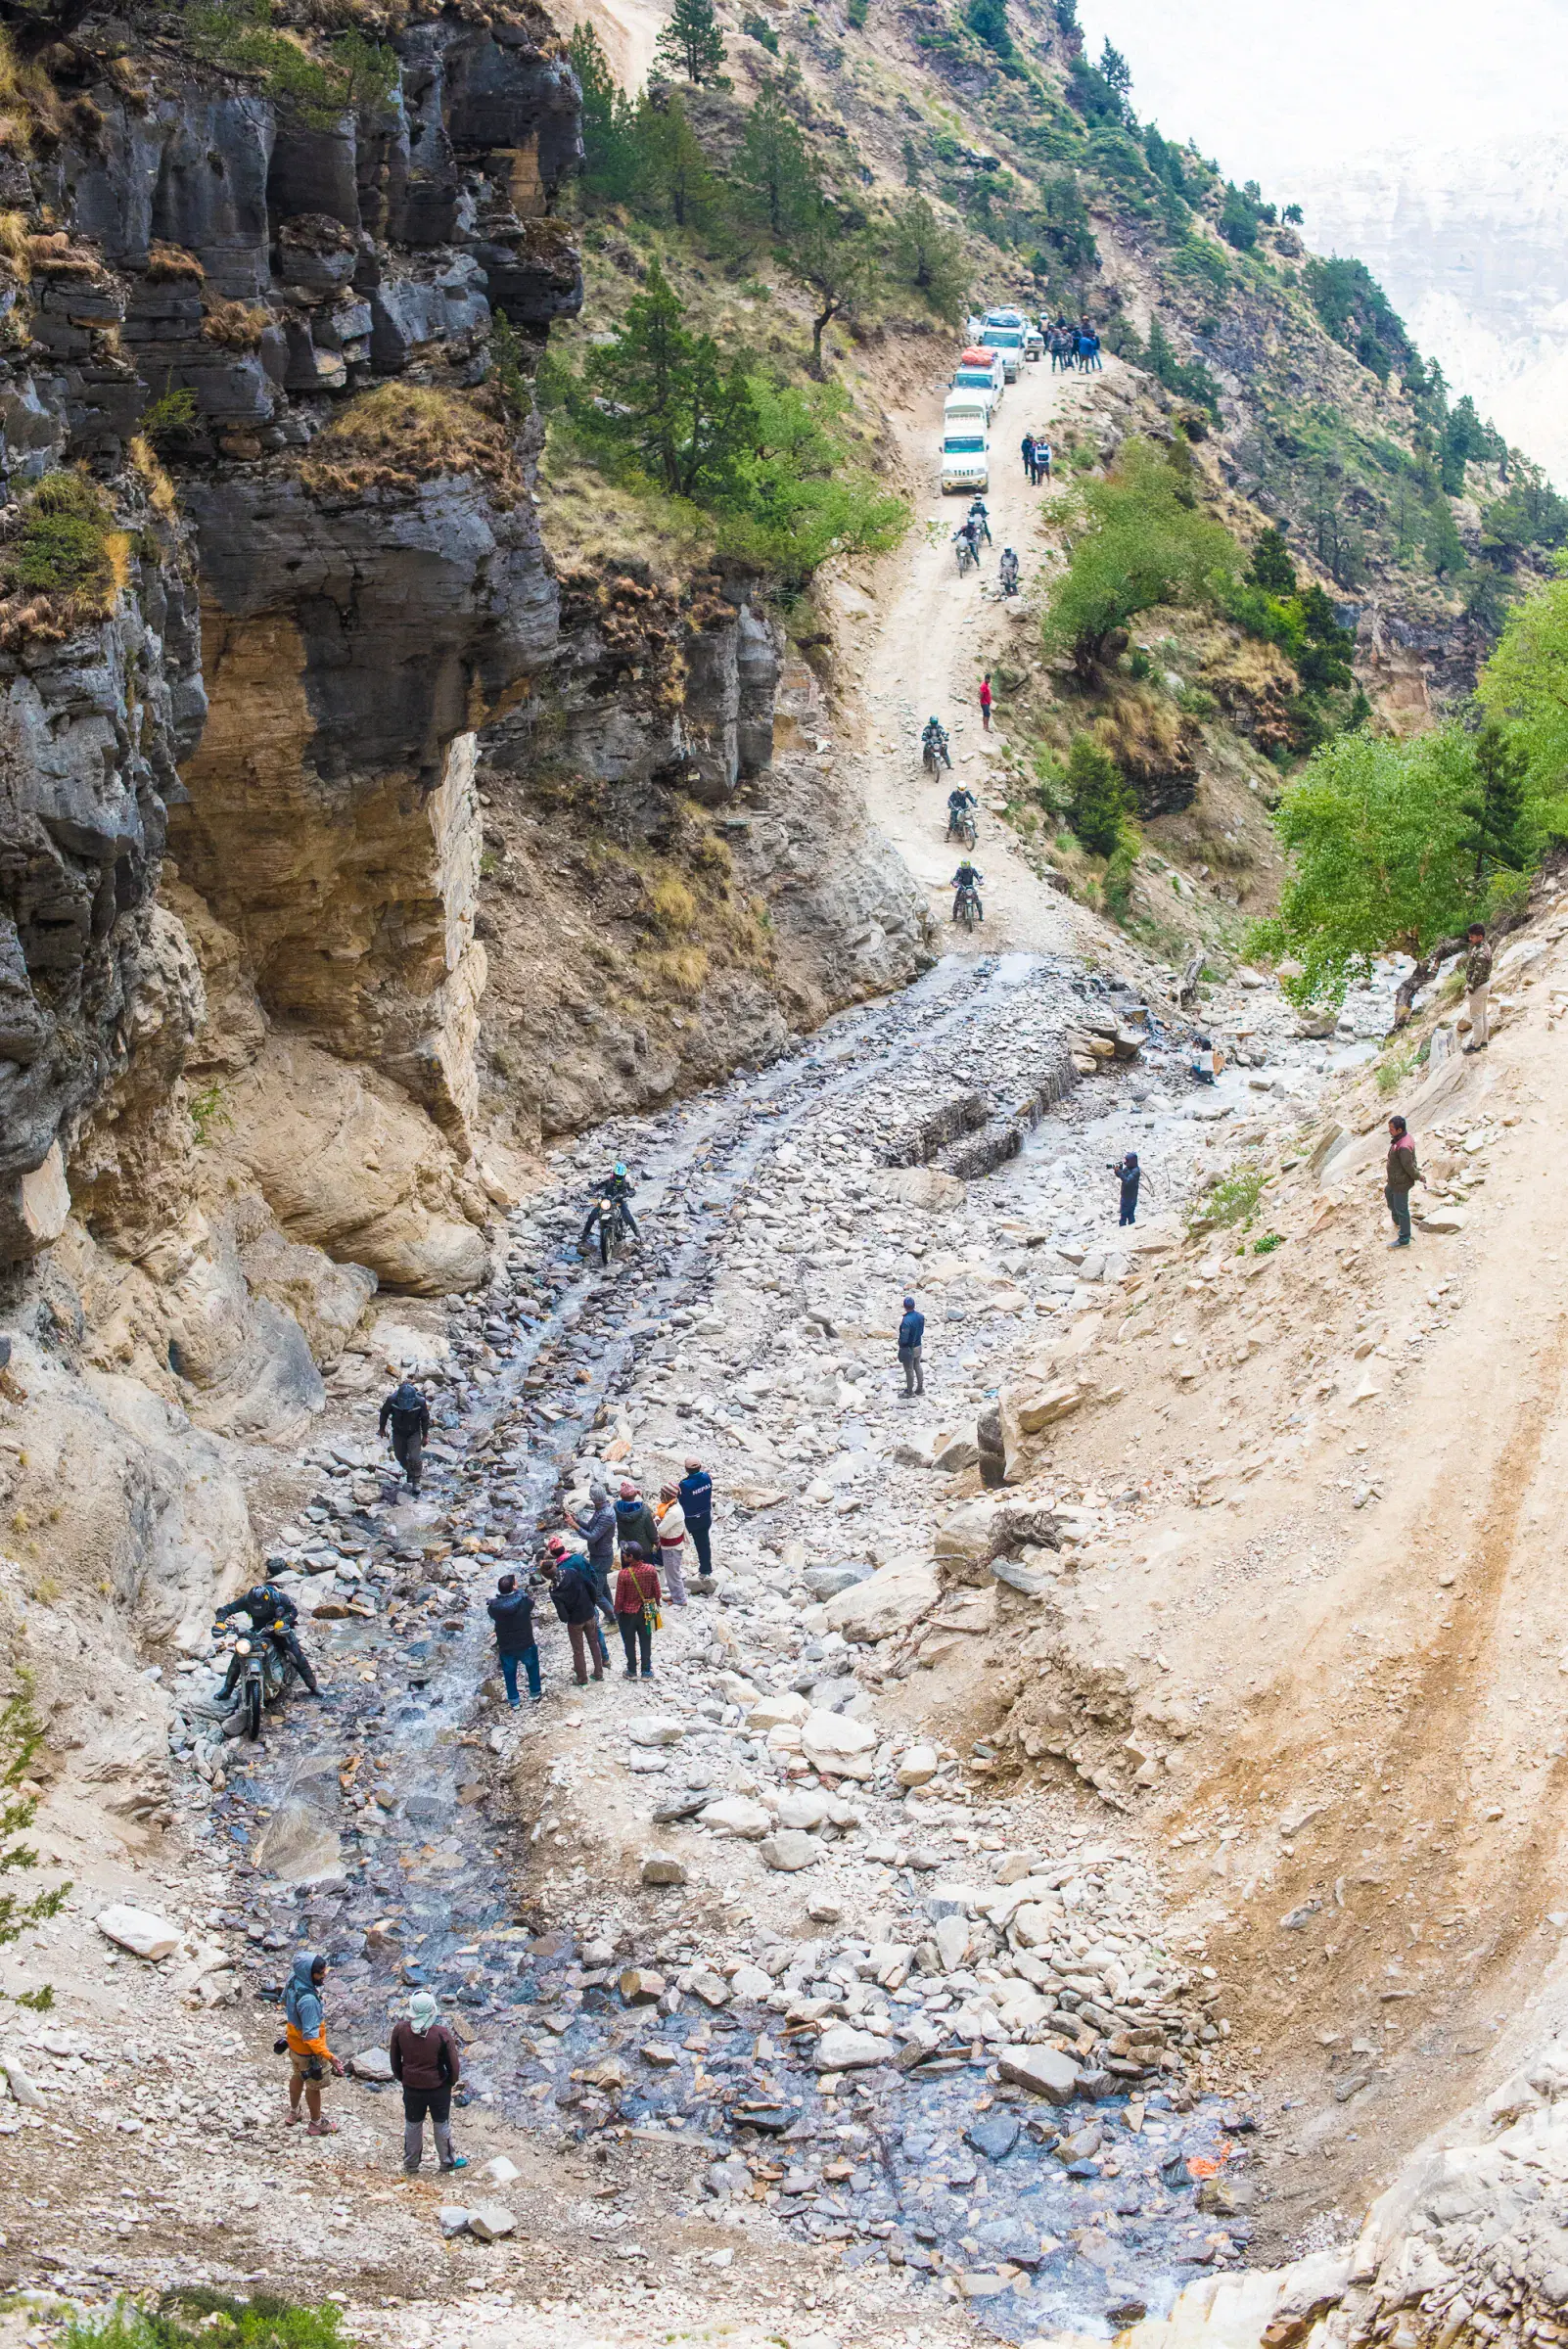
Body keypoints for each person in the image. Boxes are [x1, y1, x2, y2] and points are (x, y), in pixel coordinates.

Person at [390, 1990, 467, 2175]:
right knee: (441, 2123)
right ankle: (447, 2161)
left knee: (413, 2124)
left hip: (412, 2086)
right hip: (438, 2087)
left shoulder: (400, 2030)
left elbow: (394, 2060)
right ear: (432, 2010)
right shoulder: (441, 2033)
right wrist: (451, 2081)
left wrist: (403, 2077)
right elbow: (453, 2064)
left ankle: (411, 2164)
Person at [215, 1576, 320, 1699]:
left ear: (266, 1601)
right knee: (239, 1653)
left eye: (259, 1605)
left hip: (277, 1629)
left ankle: (313, 1686)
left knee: (295, 1654)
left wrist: (283, 1621)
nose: (256, 1607)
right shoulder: (247, 1600)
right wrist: (220, 1622)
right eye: (254, 1606)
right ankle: (227, 1689)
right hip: (258, 1629)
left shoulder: (278, 1598)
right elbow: (226, 1609)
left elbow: (293, 1611)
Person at [284, 1953, 342, 2136]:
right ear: (309, 1974)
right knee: (313, 2086)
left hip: (293, 2041)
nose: (324, 1975)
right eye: (320, 1973)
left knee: (297, 2075)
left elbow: (284, 1999)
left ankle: (294, 2113)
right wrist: (330, 2056)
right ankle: (316, 2123)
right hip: (308, 2052)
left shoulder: (294, 1979)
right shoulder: (309, 2001)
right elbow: (310, 2037)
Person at [547, 1546, 605, 1683]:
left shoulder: (553, 1589)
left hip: (575, 1621)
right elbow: (589, 1585)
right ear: (556, 1566)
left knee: (578, 1650)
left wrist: (567, 1619)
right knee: (594, 1643)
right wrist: (592, 1603)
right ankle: (598, 1672)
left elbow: (562, 1613)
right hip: (589, 1613)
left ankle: (582, 1678)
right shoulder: (571, 1572)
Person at [487, 1570, 540, 1706]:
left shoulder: (493, 1607)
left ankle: (514, 1700)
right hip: (525, 1641)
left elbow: (493, 1615)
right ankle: (535, 1693)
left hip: (506, 1644)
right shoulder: (523, 1602)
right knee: (532, 1666)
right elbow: (531, 1603)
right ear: (513, 1587)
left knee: (509, 1672)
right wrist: (520, 1592)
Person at [572, 1482, 620, 1614]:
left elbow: (592, 1537)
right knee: (603, 1588)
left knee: (596, 1593)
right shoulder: (601, 1510)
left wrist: (574, 1525)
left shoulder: (605, 1514)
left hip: (602, 1558)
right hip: (598, 1555)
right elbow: (591, 1527)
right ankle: (613, 1614)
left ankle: (613, 1619)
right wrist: (576, 1521)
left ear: (593, 1498)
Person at [615, 1544, 661, 1680]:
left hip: (628, 1614)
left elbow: (619, 1598)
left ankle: (632, 1670)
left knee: (629, 1642)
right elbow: (657, 1592)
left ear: (631, 1557)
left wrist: (616, 1612)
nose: (623, 1555)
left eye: (625, 1554)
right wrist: (656, 1607)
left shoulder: (624, 1574)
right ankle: (646, 1671)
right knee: (646, 1641)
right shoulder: (651, 1570)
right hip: (647, 1610)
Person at [379, 1377, 431, 1496]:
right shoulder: (392, 1400)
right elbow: (384, 1413)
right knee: (399, 1456)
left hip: (414, 1433)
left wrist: (425, 1435)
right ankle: (409, 1471)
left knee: (415, 1457)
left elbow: (425, 1419)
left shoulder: (420, 1402)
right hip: (398, 1432)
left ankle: (416, 1481)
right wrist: (382, 1428)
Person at [1386, 1114, 1421, 1249]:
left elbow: (1409, 1167)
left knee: (1402, 1209)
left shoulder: (1403, 1146)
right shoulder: (1400, 1138)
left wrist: (1419, 1176)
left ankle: (1404, 1239)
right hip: (1394, 1180)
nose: (1389, 1131)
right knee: (1389, 1194)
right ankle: (1398, 1221)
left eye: (1392, 1129)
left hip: (1401, 1182)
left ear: (1399, 1130)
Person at [679, 1458, 714, 1583]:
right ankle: (706, 1570)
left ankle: (675, 1570)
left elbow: (680, 1500)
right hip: (705, 1516)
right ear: (700, 1467)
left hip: (689, 1519)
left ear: (687, 1469)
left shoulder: (684, 1484)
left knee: (677, 1543)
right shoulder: (706, 1478)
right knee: (704, 1544)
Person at [656, 1483, 688, 1607]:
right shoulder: (673, 1506)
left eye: (662, 1494)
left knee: (673, 1574)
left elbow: (661, 1530)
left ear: (667, 1496)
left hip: (672, 1548)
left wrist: (657, 1522)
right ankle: (675, 1595)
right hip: (672, 1546)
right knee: (671, 1573)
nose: (660, 1497)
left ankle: (680, 1599)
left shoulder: (673, 1512)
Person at [1463, 922, 1493, 1052]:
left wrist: (1470, 987)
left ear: (1480, 937)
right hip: (1485, 984)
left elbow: (1477, 975)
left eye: (1472, 937)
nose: (1470, 939)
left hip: (1478, 987)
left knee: (1476, 1017)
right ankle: (1484, 1042)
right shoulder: (1485, 946)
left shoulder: (1481, 953)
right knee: (1483, 1015)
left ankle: (1476, 1045)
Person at [615, 1479, 660, 1560]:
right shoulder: (644, 1510)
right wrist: (656, 1541)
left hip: (626, 1549)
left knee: (628, 1571)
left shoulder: (616, 1508)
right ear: (635, 1495)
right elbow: (651, 1530)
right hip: (643, 1549)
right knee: (645, 1570)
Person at [898, 1293, 926, 1398]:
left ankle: (910, 1391)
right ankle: (920, 1388)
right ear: (914, 1305)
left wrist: (901, 1345)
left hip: (908, 1348)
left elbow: (904, 1339)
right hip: (918, 1345)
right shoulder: (920, 1317)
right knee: (917, 1366)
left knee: (909, 1370)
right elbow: (921, 1331)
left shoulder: (906, 1321)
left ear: (905, 1306)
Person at [1112, 1150, 1140, 1226]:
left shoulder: (1136, 1171)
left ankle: (1125, 1231)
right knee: (1126, 1215)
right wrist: (1117, 1171)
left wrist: (1120, 1173)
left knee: (1127, 1215)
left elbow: (1127, 1181)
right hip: (1125, 1195)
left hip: (1130, 1197)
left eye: (1127, 1161)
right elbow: (1122, 1176)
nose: (1126, 1162)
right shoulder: (1128, 1168)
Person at [951, 858, 984, 922]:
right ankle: (954, 917)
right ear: (961, 864)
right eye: (964, 864)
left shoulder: (972, 870)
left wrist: (980, 881)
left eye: (967, 864)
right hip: (962, 886)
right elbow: (956, 877)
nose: (965, 865)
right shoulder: (959, 870)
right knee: (957, 901)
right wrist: (955, 883)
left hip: (970, 887)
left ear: (969, 863)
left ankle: (981, 916)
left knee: (977, 901)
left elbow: (977, 876)